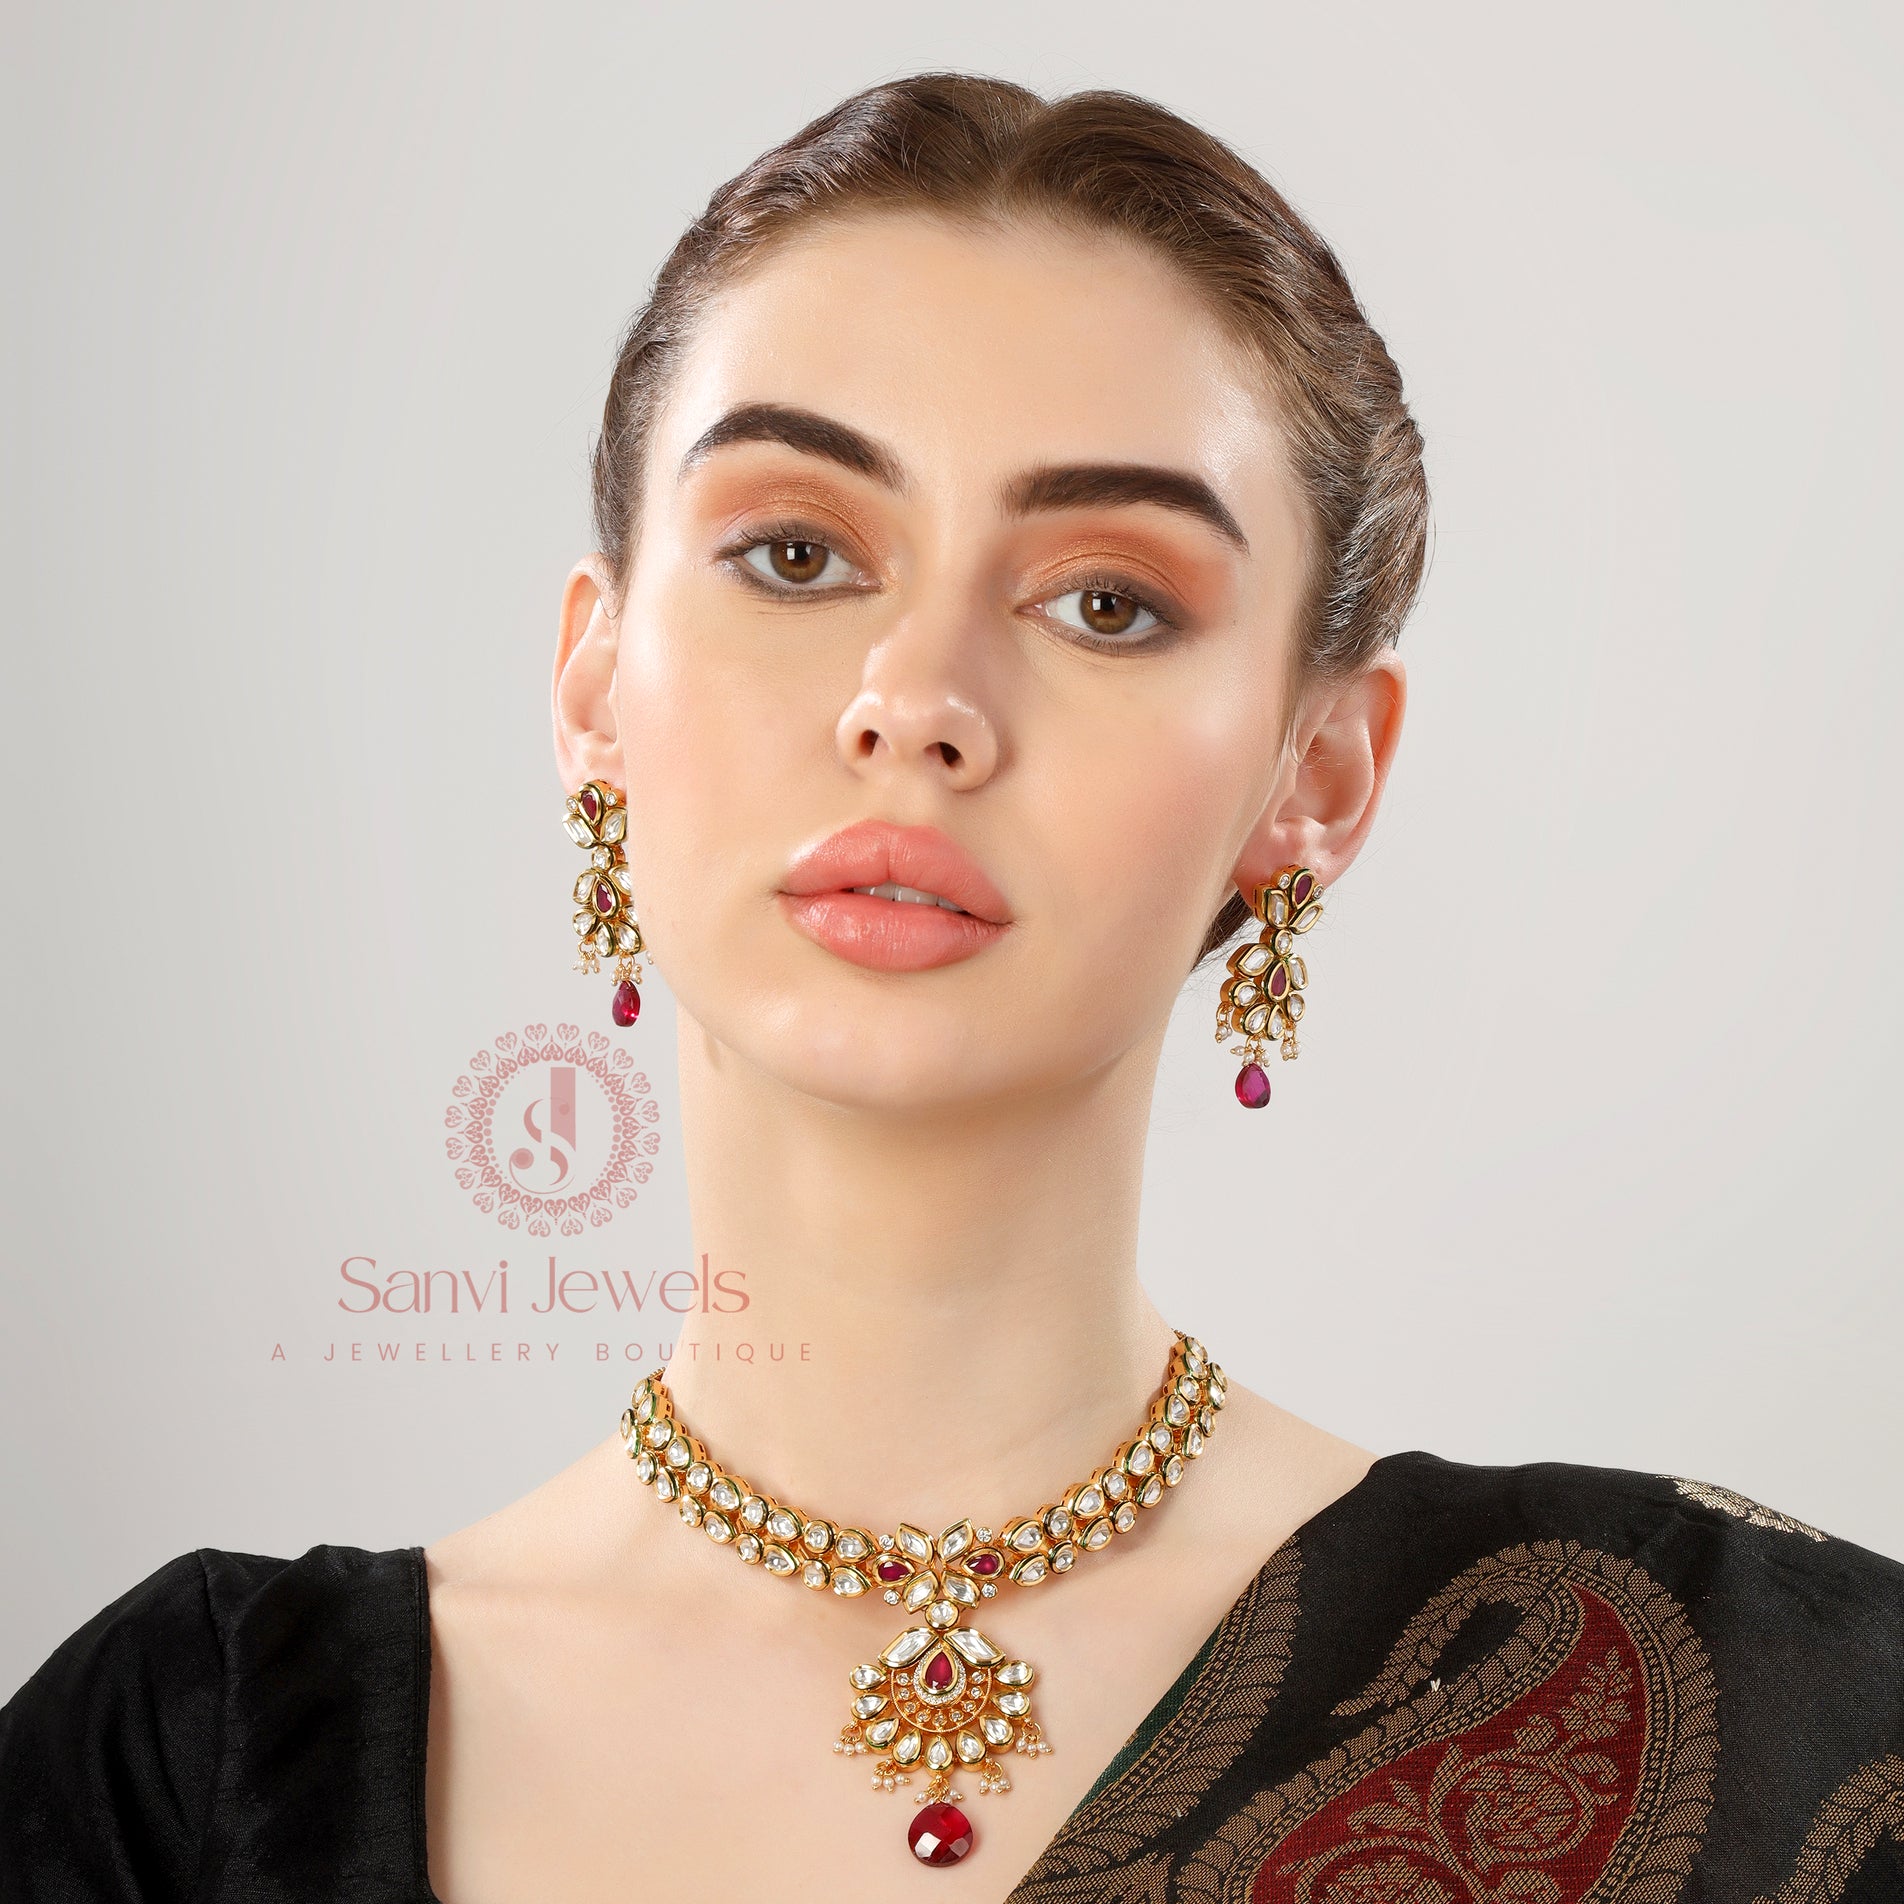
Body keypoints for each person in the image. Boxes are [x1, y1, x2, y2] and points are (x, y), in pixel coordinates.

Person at [4, 71, 1900, 1904]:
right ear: (594, 685)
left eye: (1106, 603)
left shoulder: (1762, 1709)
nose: (914, 703)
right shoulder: (186, 1768)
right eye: (797, 554)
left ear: (1317, 777)